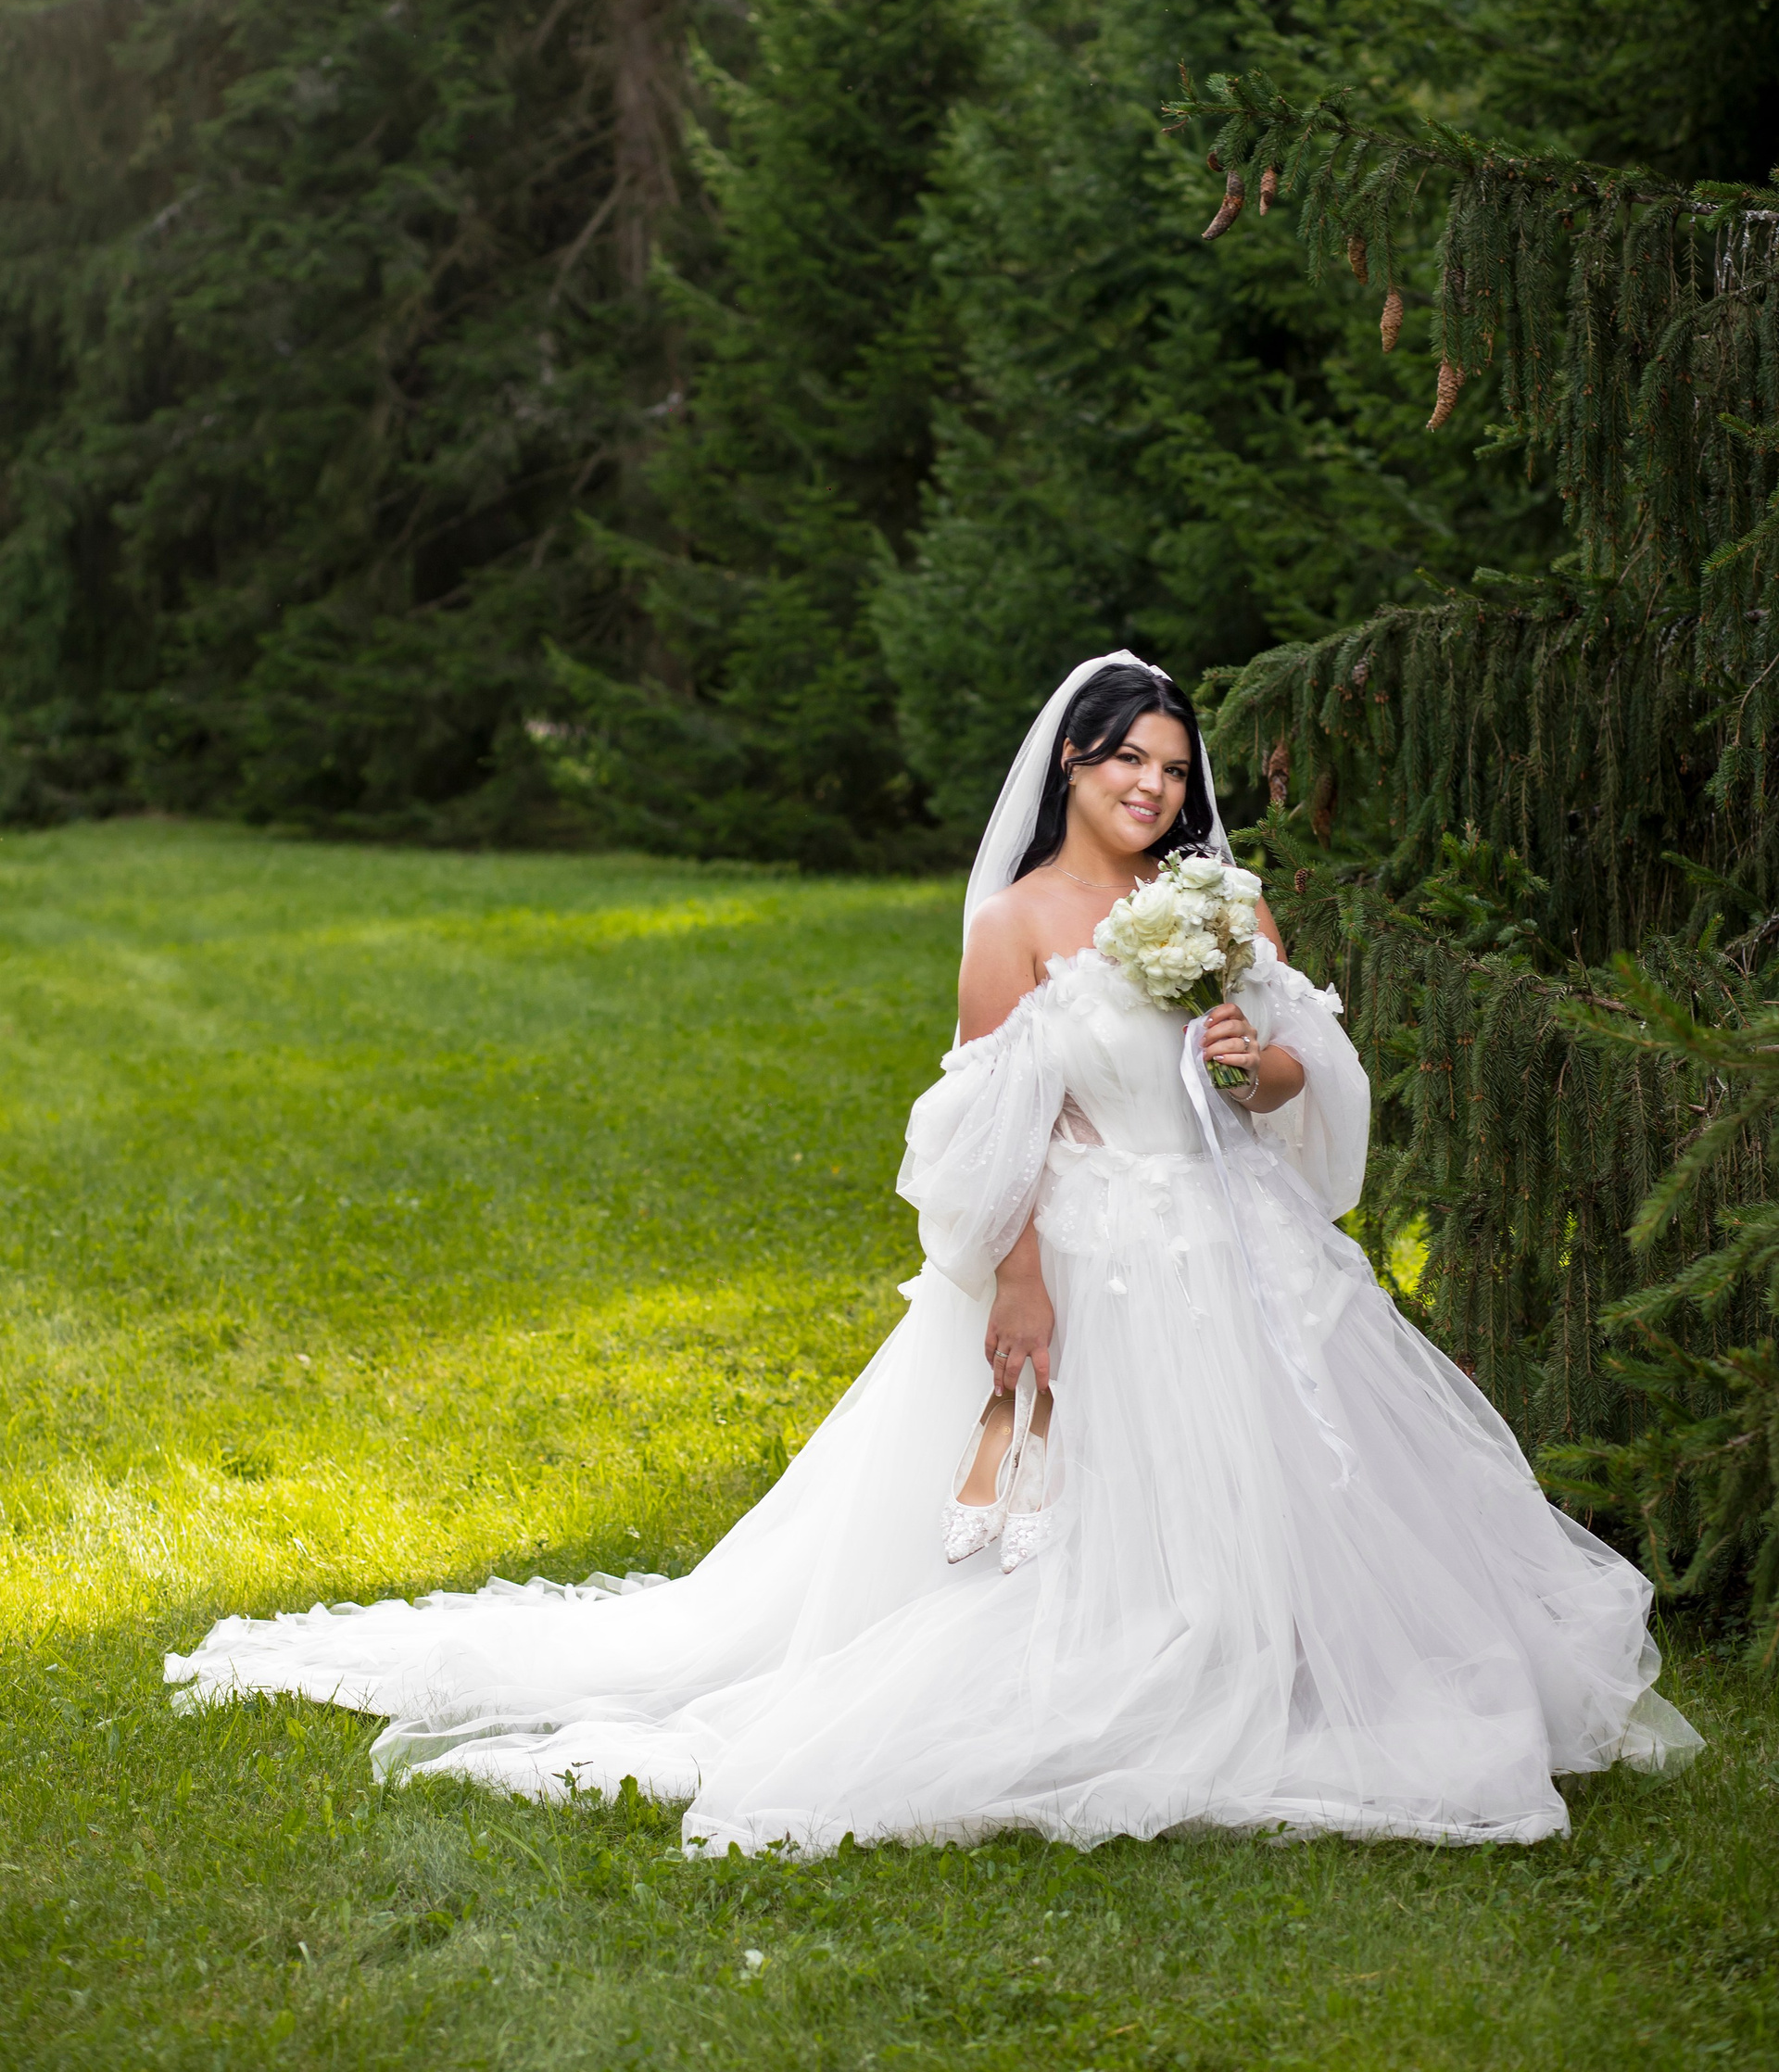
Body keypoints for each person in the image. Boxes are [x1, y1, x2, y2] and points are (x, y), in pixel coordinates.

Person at [168, 651, 1700, 1851]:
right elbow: (989, 1126)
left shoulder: (1223, 903)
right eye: (1130, 761)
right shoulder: (1016, 924)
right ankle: (1132, 1653)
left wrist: (1257, 1062)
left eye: (1176, 769)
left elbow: (1301, 1074)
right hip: (1091, 1245)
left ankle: (1278, 1650)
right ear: (1074, 765)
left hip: (1240, 1236)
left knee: (1303, 1463)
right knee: (1083, 1502)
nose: (1155, 788)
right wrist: (1017, 1282)